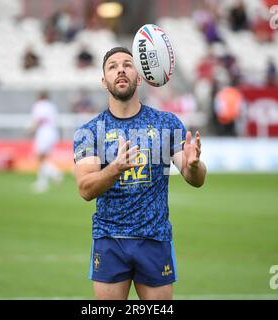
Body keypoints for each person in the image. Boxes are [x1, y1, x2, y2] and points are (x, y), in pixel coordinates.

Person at [73, 47, 206, 300]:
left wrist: (194, 165)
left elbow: (196, 180)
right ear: (104, 81)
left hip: (154, 239)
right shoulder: (90, 131)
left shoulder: (166, 123)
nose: (120, 69)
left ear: (140, 77)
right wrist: (114, 169)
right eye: (112, 66)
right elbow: (85, 189)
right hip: (109, 239)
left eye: (127, 64)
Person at [30, 91, 63, 193]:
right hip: (52, 133)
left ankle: (54, 174)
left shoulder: (38, 105)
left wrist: (31, 130)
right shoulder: (52, 106)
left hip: (43, 133)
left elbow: (37, 120)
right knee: (44, 158)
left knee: (40, 158)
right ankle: (43, 181)